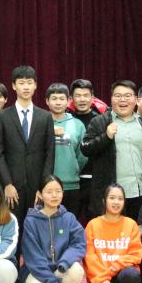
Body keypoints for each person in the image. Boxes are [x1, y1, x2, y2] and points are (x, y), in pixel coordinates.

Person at [81, 80, 142, 217]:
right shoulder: (100, 121)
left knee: (136, 229)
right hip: (110, 195)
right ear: (111, 99)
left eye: (127, 96)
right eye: (118, 96)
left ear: (136, 100)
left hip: (140, 192)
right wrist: (106, 136)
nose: (122, 100)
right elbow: (86, 149)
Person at [0, 65, 55, 233]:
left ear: (35, 85)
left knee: (37, 231)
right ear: (14, 86)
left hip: (37, 188)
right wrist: (7, 183)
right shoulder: (3, 116)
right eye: (21, 83)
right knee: (12, 230)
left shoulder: (45, 117)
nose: (26, 87)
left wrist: (43, 187)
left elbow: (50, 154)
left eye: (29, 83)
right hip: (12, 188)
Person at [19, 175, 86, 283]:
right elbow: (32, 257)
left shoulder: (69, 218)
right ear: (40, 195)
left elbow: (79, 244)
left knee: (76, 269)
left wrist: (64, 263)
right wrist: (50, 280)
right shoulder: (31, 221)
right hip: (36, 271)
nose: (54, 195)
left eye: (58, 191)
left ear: (63, 193)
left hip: (60, 269)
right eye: (49, 192)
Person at [84, 185, 142, 283]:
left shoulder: (131, 224)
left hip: (122, 273)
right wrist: (102, 278)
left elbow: (136, 254)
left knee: (131, 273)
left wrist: (116, 266)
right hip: (101, 276)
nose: (116, 202)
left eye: (120, 199)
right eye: (112, 198)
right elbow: (89, 257)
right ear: (104, 200)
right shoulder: (93, 225)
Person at [45, 82, 87, 217]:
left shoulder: (77, 124)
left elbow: (83, 155)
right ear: (47, 101)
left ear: (68, 101)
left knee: (69, 223)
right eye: (54, 99)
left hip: (71, 185)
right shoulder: (40, 122)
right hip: (46, 186)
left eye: (62, 99)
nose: (58, 102)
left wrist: (73, 168)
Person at [68, 78, 103, 223]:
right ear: (71, 99)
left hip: (95, 180)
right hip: (71, 181)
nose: (82, 99)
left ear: (92, 98)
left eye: (86, 95)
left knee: (94, 222)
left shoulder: (102, 120)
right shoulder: (66, 119)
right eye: (78, 95)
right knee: (70, 221)